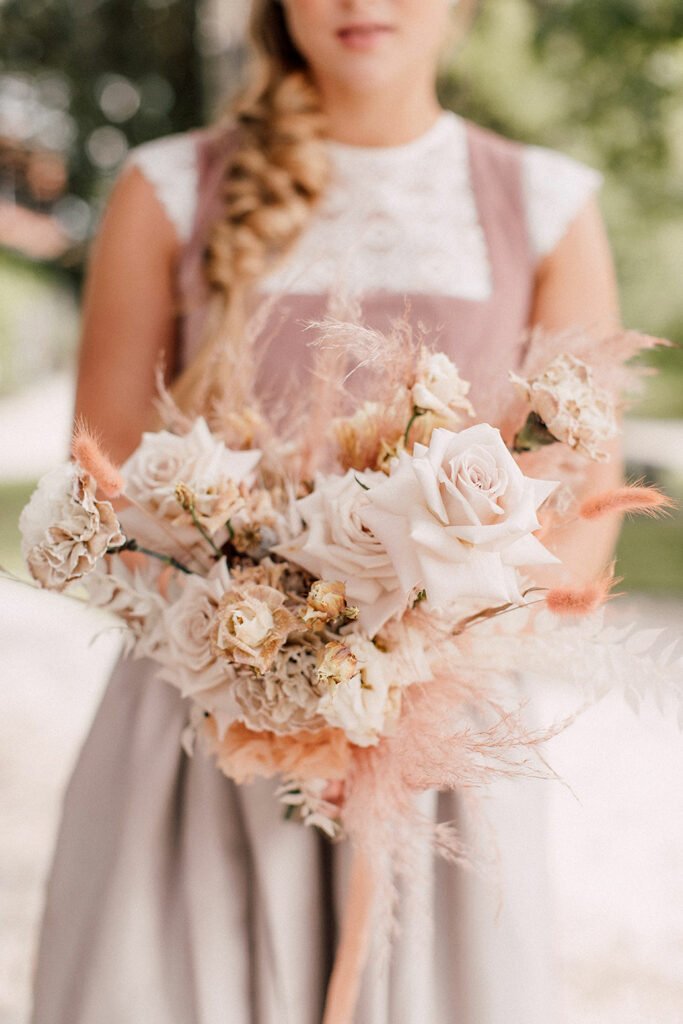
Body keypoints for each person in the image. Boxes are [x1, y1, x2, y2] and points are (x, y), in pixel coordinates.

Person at [30, 1, 623, 1022]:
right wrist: (264, 667)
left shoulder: (543, 203)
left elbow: (583, 498)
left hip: (438, 744)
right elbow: (110, 479)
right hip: (198, 720)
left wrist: (403, 682)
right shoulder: (166, 190)